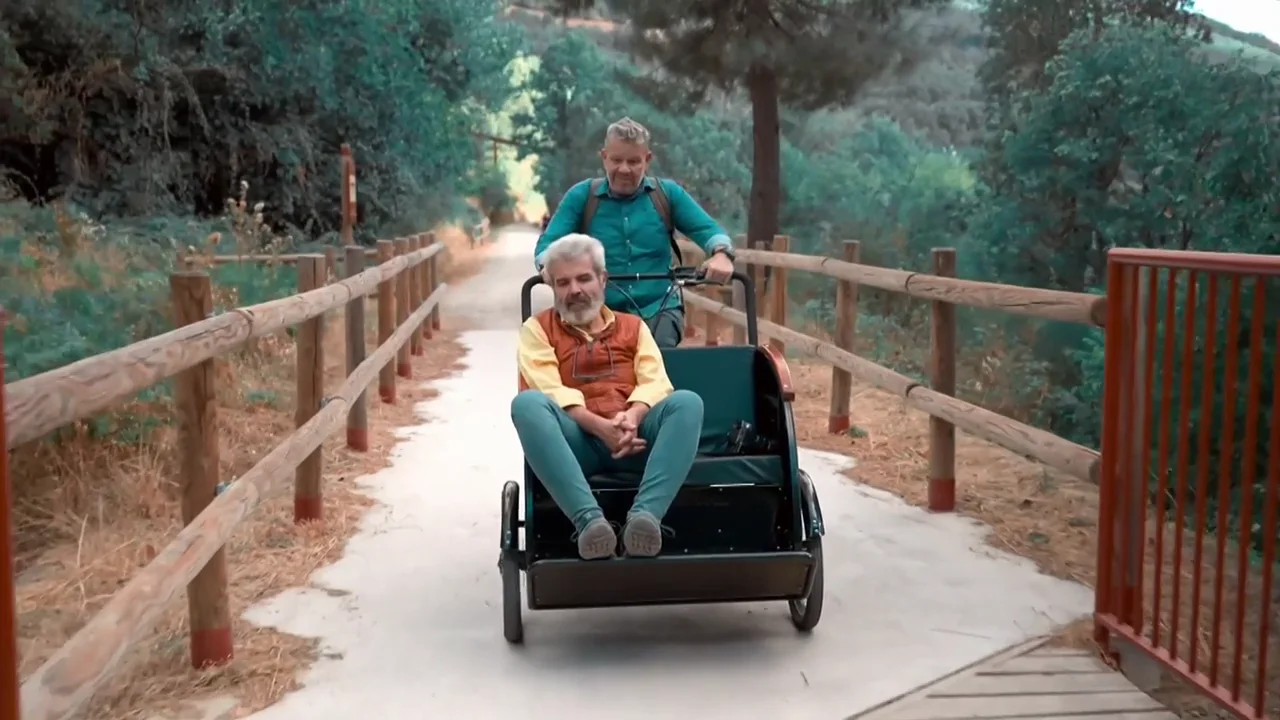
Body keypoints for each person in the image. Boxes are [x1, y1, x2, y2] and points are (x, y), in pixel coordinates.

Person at [512, 233, 704, 560]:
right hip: (577, 444)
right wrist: (600, 427)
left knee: (687, 403)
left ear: (603, 279)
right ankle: (589, 522)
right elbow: (548, 388)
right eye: (563, 282)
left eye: (584, 278)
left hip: (636, 438)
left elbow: (655, 380)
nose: (574, 290)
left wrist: (631, 418)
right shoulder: (537, 329)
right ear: (554, 288)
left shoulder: (633, 327)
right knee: (527, 403)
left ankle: (645, 519)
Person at [535, 117, 738, 349]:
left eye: (633, 161)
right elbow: (547, 246)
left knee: (660, 351)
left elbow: (708, 230)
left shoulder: (667, 194)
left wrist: (721, 254)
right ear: (604, 157)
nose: (624, 169)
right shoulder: (582, 196)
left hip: (658, 306)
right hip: (597, 310)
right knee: (594, 362)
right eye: (616, 160)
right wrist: (547, 266)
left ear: (647, 160)